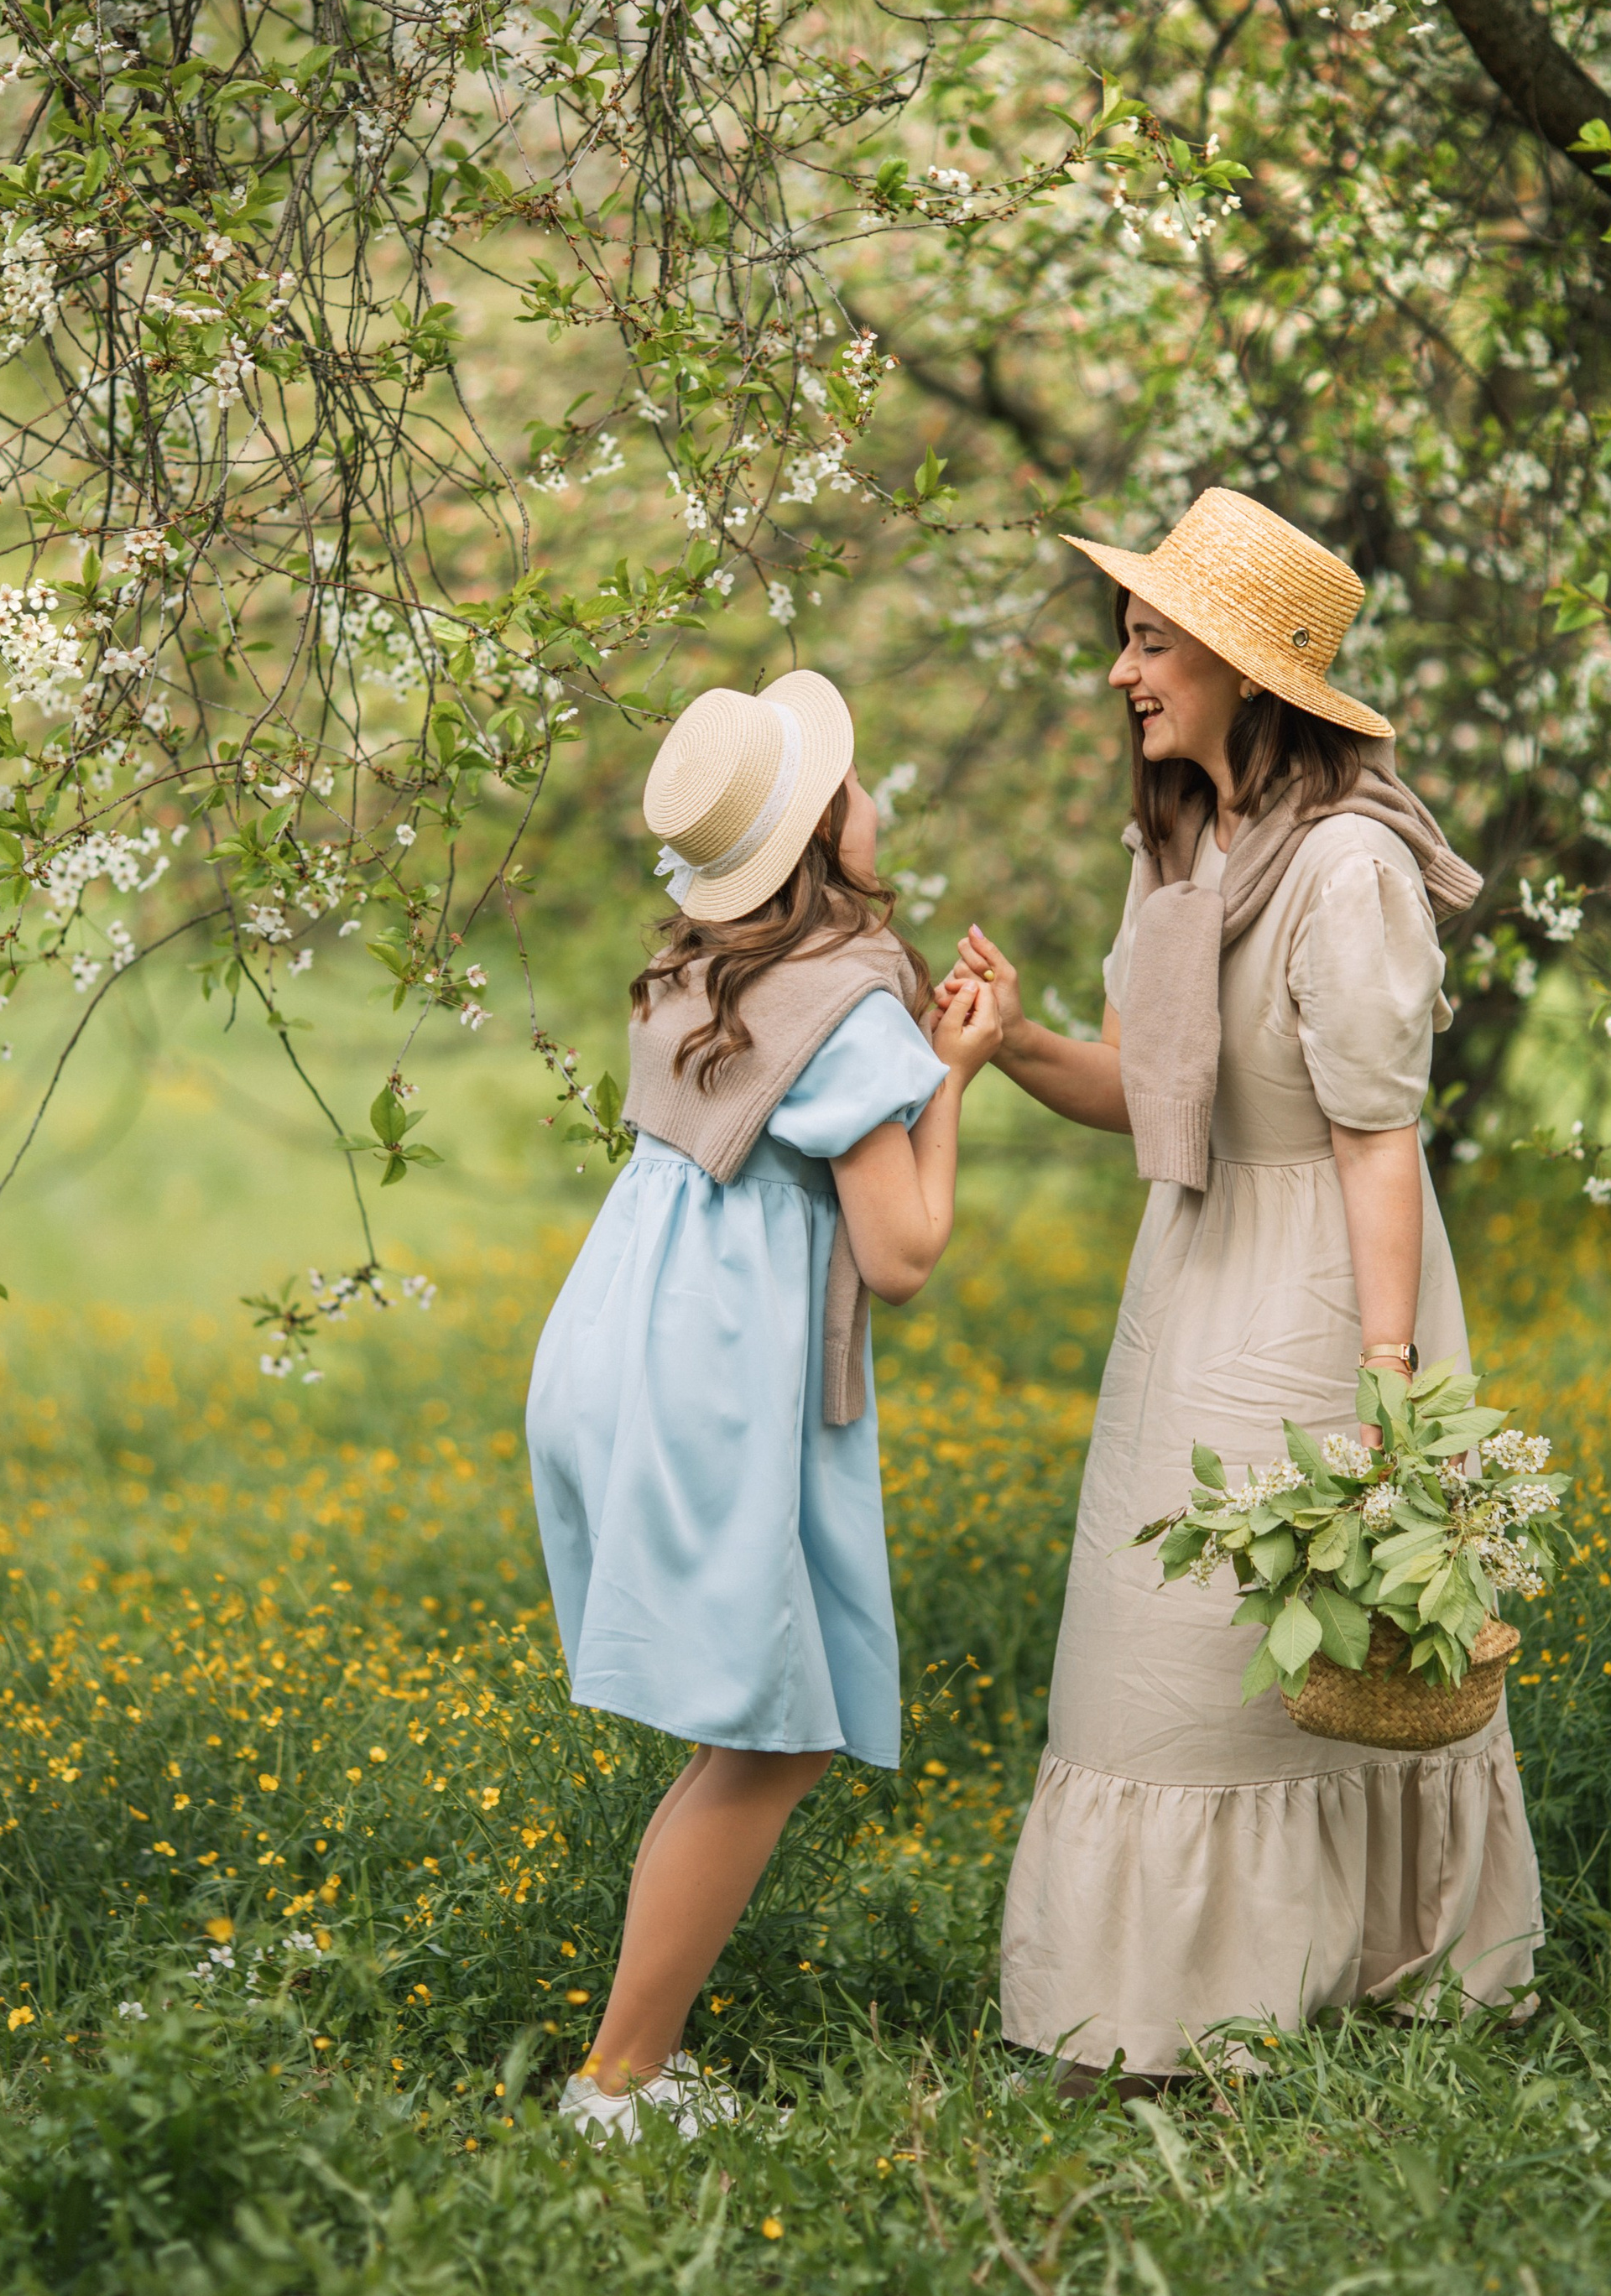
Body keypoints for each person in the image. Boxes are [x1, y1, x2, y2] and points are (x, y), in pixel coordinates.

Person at [941, 487, 1542, 2089]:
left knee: (1288, 1646)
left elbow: (1377, 1144)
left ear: (1240, 670)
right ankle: (1149, 2003)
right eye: (1128, 641)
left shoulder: (1350, 869)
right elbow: (1145, 1090)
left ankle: (1364, 1972)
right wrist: (1008, 1048)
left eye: (1151, 644)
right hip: (1195, 1273)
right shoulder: (1185, 846)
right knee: (1158, 1647)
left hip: (1323, 1287)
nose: (1122, 675)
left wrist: (1396, 1396)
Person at [527, 667, 1000, 2137]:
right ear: (816, 837)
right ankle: (618, 2083)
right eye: (850, 784)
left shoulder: (695, 966)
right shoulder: (849, 1004)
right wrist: (955, 1076)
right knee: (775, 1740)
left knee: (750, 1731)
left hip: (618, 1345)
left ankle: (632, 2061)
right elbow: (904, 1255)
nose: (873, 797)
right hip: (710, 1386)